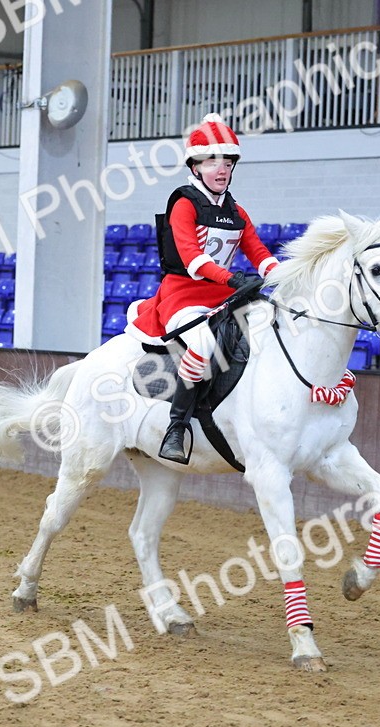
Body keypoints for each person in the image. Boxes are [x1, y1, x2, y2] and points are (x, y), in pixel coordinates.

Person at [125, 113, 279, 465]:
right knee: (204, 343)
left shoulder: (237, 211)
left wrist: (283, 275)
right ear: (194, 166)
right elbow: (192, 259)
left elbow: (258, 252)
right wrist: (232, 279)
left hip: (223, 294)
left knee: (270, 325)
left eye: (227, 161)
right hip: (183, 293)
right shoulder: (183, 203)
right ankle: (176, 427)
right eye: (212, 160)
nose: (221, 168)